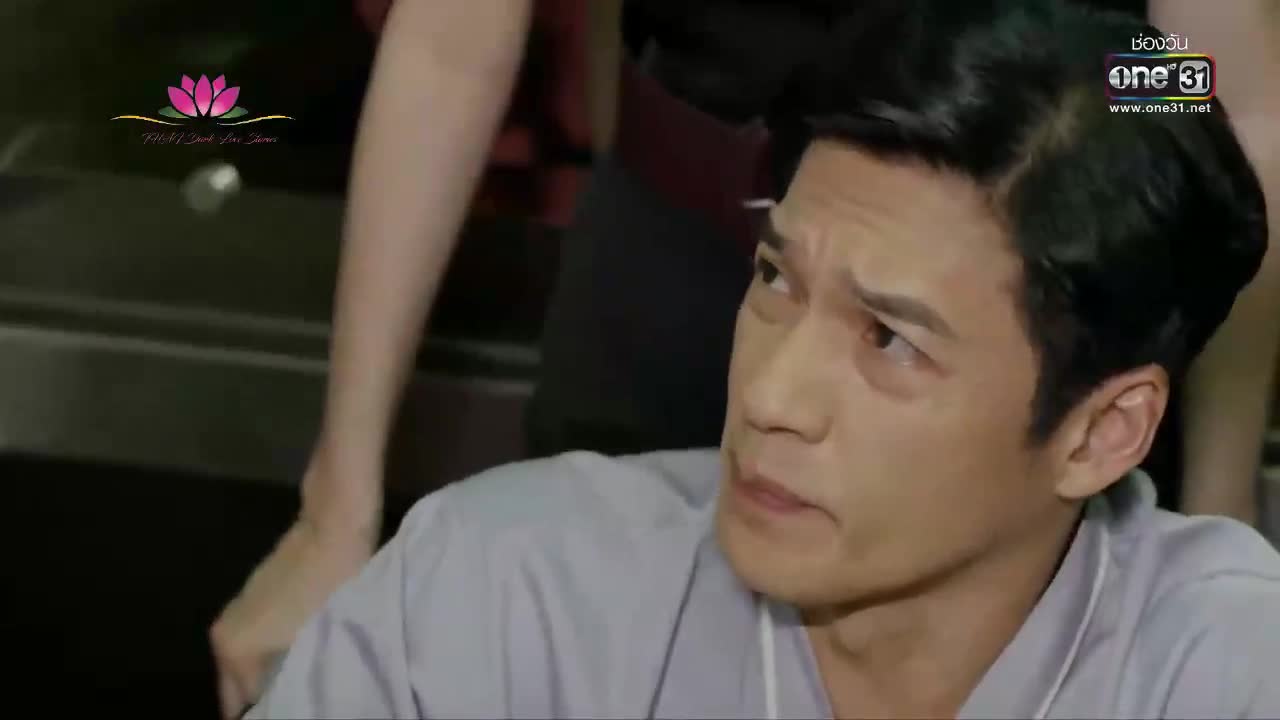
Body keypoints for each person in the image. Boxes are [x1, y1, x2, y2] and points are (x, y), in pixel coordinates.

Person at [211, 0, 1280, 714]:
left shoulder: (1223, 666)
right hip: (687, 220)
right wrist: (337, 511)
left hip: (1051, 251)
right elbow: (454, 37)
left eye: (885, 341)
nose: (771, 399)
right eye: (772, 289)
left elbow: (1215, 96)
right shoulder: (493, 599)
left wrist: (1221, 507)